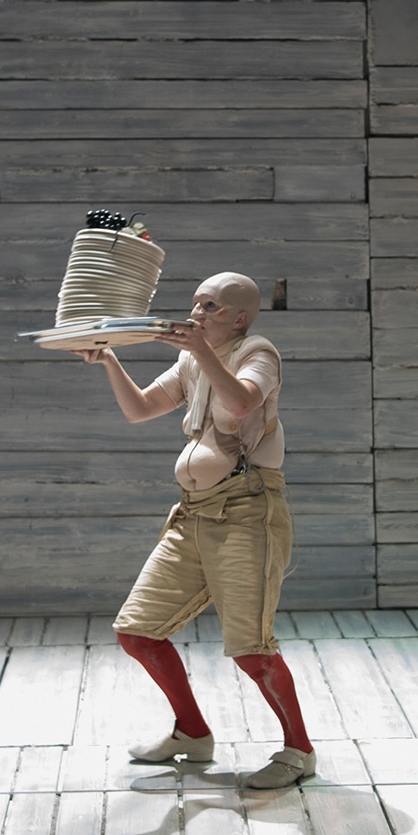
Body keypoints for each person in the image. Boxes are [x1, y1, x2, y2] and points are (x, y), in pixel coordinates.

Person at [79, 272, 316, 790]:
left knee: (252, 646)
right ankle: (191, 732)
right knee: (137, 631)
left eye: (210, 307)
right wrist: (110, 361)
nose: (197, 314)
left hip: (247, 512)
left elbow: (242, 402)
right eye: (195, 305)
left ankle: (299, 750)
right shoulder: (192, 359)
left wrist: (201, 352)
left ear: (239, 316)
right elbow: (141, 409)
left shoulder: (258, 351)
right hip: (194, 514)